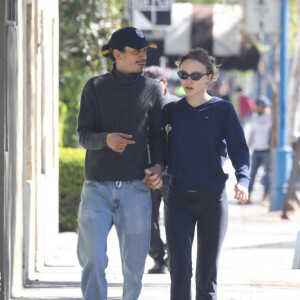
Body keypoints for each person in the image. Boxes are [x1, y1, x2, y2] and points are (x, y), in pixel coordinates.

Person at [76, 26, 164, 300]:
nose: (143, 56)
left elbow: (158, 136)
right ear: (117, 54)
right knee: (92, 259)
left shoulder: (151, 88)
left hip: (136, 189)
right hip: (97, 188)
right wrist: (106, 140)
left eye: (144, 51)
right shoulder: (95, 87)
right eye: (136, 51)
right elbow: (83, 135)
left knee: (134, 268)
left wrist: (158, 167)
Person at [163, 48, 250, 300]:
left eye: (195, 75)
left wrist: (242, 180)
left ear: (209, 77)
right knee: (180, 273)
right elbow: (159, 148)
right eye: (183, 74)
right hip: (178, 200)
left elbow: (239, 149)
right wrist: (156, 168)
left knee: (206, 277)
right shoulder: (171, 111)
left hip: (213, 200)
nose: (188, 80)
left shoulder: (223, 110)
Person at [143, 66, 180, 273]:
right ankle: (158, 257)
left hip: (172, 174)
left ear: (164, 83)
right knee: (147, 219)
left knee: (175, 219)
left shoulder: (177, 105)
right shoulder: (139, 105)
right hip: (147, 173)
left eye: (154, 84)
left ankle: (173, 258)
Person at [247, 95, 272, 206]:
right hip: (256, 150)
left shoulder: (270, 117)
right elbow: (252, 133)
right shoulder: (254, 116)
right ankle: (248, 195)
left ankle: (266, 197)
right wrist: (248, 146)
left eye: (262, 106)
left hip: (267, 150)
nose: (260, 108)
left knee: (267, 175)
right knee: (252, 174)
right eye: (258, 106)